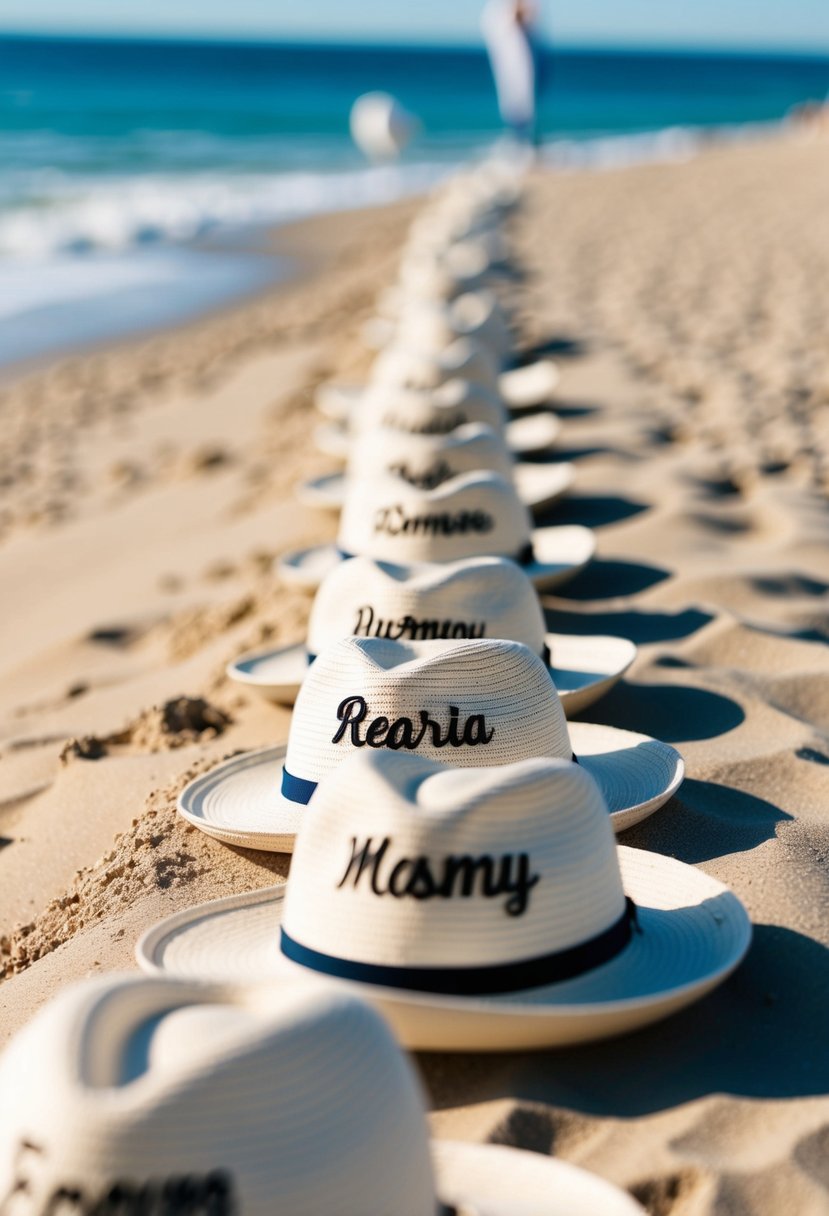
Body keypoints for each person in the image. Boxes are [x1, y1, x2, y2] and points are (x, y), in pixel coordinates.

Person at [481, 0, 542, 146]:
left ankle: (521, 139)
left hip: (514, 26)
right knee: (519, 88)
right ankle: (520, 141)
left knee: (519, 90)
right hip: (513, 27)